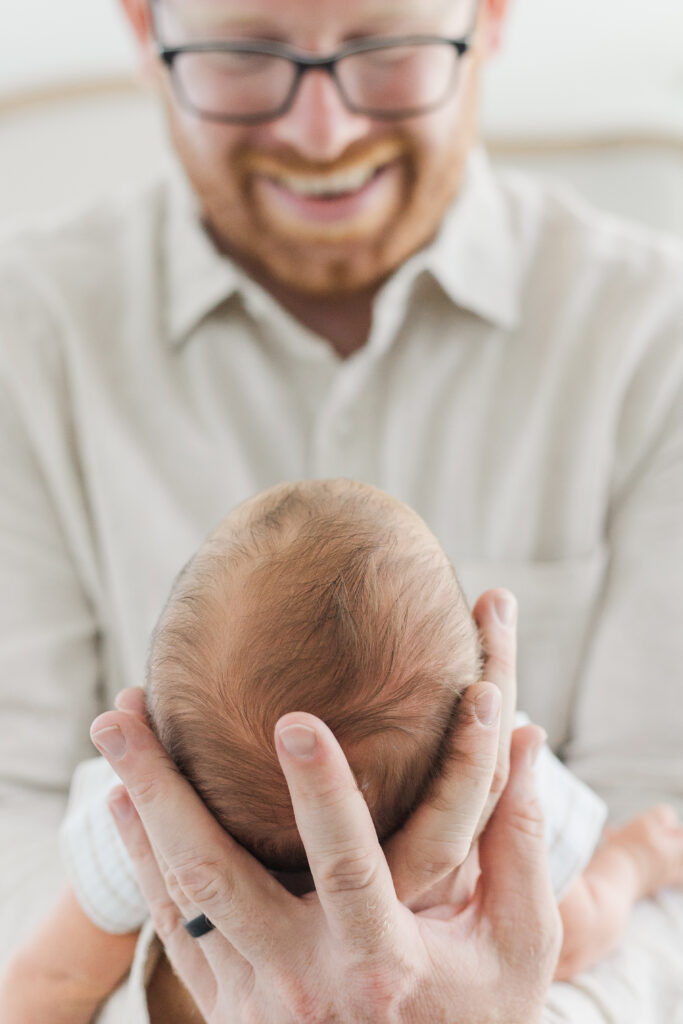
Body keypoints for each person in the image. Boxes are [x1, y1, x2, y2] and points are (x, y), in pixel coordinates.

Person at [0, 0, 682, 1017]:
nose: (322, 133)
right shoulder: (29, 334)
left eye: (384, 46)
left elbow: (42, 978)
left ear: (488, 16)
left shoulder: (648, 339)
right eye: (244, 52)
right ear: (144, 27)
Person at [4, 481, 683, 1024]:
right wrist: (618, 868)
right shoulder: (500, 783)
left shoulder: (133, 824)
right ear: (466, 740)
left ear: (157, 728)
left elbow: (51, 981)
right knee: (573, 924)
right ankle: (638, 858)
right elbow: (542, 945)